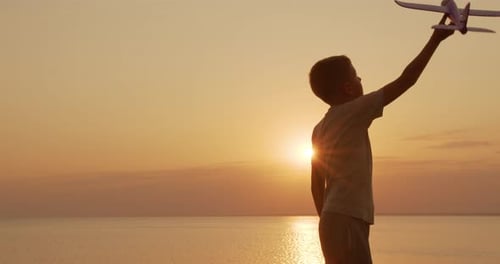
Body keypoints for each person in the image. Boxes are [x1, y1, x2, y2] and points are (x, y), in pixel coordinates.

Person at [309, 15, 454, 264]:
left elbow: (316, 185)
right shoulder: (355, 110)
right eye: (357, 76)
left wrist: (328, 222)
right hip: (346, 218)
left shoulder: (320, 128)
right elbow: (406, 80)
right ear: (347, 88)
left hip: (334, 220)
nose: (361, 80)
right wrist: (436, 39)